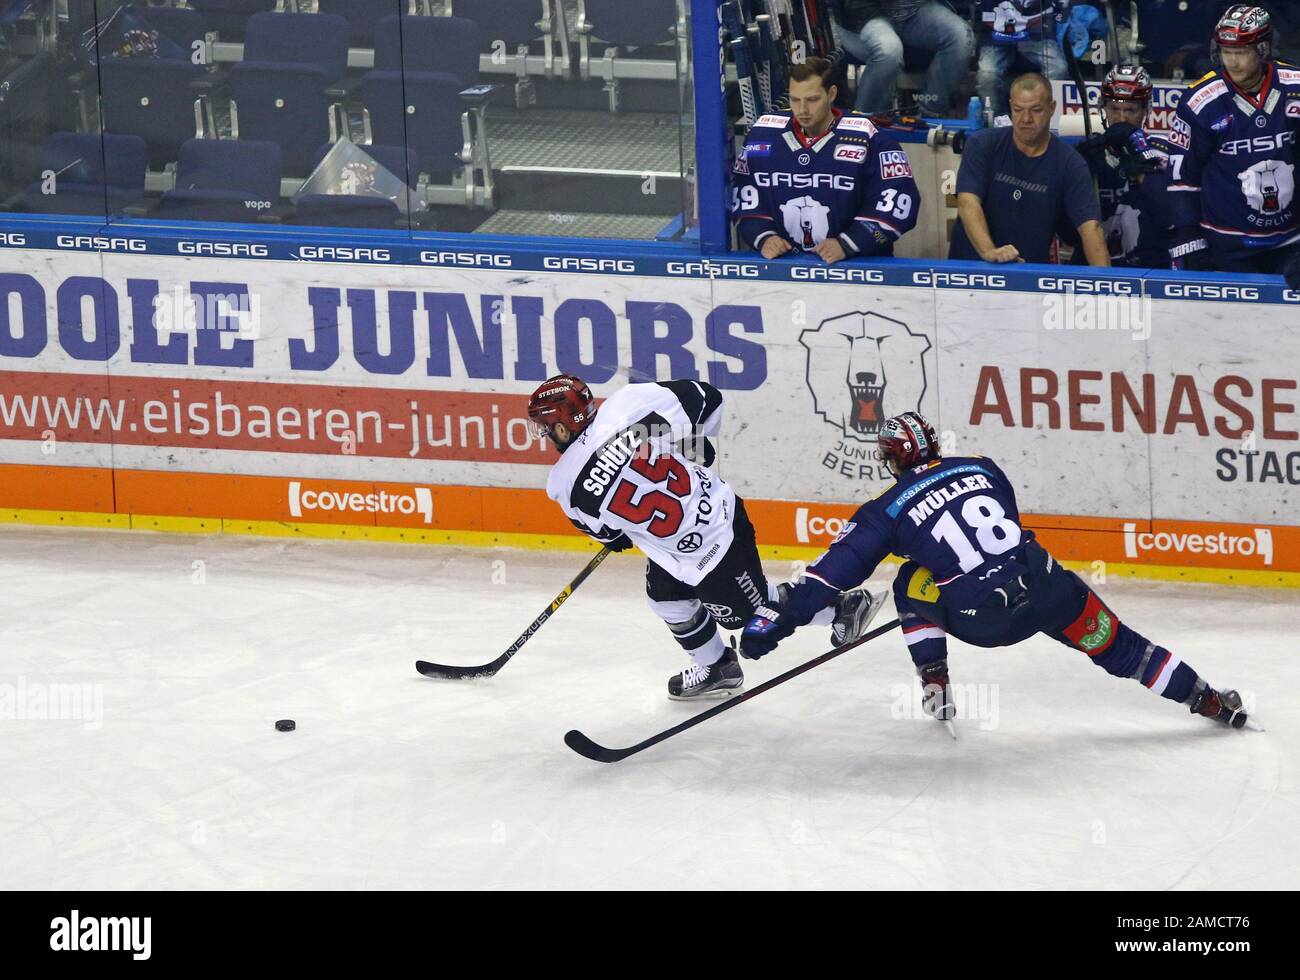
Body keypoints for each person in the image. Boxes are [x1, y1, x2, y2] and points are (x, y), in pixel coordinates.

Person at [740, 412, 1253, 731]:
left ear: (893, 460)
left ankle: (934, 676)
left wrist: (778, 622)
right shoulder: (982, 466)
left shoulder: (886, 508)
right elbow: (1001, 523)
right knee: (1121, 646)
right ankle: (1205, 698)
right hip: (1047, 586)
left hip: (984, 620)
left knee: (907, 585)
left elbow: (830, 578)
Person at [527, 374, 878, 700]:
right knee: (667, 601)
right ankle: (718, 668)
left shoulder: (564, 484)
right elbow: (708, 401)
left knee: (752, 614)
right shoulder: (629, 401)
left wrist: (614, 532)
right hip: (691, 535)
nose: (544, 434)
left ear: (561, 424)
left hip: (718, 539)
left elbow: (608, 534)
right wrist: (691, 444)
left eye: (545, 427)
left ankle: (842, 609)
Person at [731, 57, 922, 263]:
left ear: (831, 94)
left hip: (857, 266)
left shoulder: (869, 137)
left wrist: (849, 243)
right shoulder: (763, 133)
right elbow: (743, 195)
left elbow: (900, 204)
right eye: (795, 100)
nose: (802, 110)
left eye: (812, 100)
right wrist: (763, 237)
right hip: (783, 265)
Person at [1166, 4, 1300, 274]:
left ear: (1262, 50)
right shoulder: (1201, 101)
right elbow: (1182, 177)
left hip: (1291, 243)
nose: (1232, 62)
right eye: (1227, 52)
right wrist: (1189, 241)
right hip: (1226, 245)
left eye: (1241, 52)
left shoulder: (1295, 87)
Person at [948, 72, 1109, 265]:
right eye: (1018, 109)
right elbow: (967, 202)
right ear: (1010, 107)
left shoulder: (1070, 163)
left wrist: (1105, 285)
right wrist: (990, 252)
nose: (1026, 119)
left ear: (1052, 108)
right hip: (968, 273)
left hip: (1028, 278)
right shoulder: (982, 145)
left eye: (1036, 110)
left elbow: (1091, 228)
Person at [1076, 64, 1179, 267]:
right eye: (1114, 108)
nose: (1122, 118)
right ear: (1103, 108)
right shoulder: (1086, 153)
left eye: (1130, 110)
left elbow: (1171, 218)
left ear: (1145, 111)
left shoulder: (1164, 153)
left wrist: (1142, 163)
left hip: (1151, 269)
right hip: (1098, 270)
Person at [830, 0, 976, 116]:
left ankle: (929, 114)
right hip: (864, 15)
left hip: (915, 11)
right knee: (889, 51)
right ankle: (863, 124)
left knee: (961, 37)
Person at [976, 0, 1071, 117]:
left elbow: (1063, 6)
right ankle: (996, 121)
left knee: (1058, 68)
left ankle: (1047, 119)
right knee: (987, 74)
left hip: (1037, 31)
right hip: (995, 33)